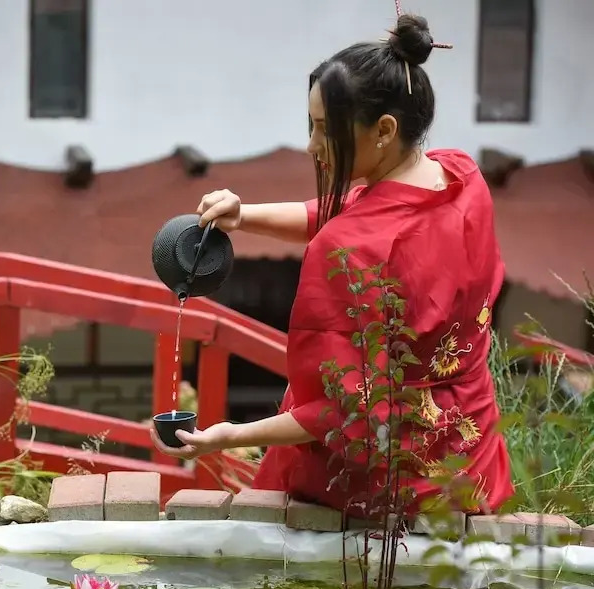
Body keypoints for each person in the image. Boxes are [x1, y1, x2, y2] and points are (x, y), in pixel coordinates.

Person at [148, 14, 514, 517]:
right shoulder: (461, 176)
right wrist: (244, 215)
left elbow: (339, 413)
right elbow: (360, 210)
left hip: (388, 480)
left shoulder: (346, 249)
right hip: (468, 455)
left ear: (384, 130)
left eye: (326, 129)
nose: (312, 145)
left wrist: (229, 436)